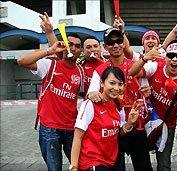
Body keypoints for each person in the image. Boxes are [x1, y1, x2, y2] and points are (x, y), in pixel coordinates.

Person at [87, 27, 159, 171]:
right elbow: (91, 92)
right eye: (111, 42)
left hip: (136, 126)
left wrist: (148, 91)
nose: (115, 45)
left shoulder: (135, 65)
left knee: (144, 167)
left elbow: (147, 88)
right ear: (105, 46)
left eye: (119, 41)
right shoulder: (100, 70)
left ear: (124, 43)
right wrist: (93, 94)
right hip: (113, 130)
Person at [17, 33, 84, 171]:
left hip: (72, 128)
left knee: (79, 166)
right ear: (64, 46)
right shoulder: (50, 65)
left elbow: (84, 94)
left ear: (81, 51)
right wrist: (50, 50)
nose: (73, 48)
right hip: (49, 128)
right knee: (54, 168)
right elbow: (22, 61)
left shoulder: (80, 72)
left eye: (77, 46)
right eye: (69, 44)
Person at [131, 40, 177, 171]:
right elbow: (132, 73)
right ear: (165, 57)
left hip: (167, 126)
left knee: (164, 163)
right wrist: (144, 58)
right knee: (141, 160)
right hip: (147, 121)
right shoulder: (154, 67)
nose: (175, 59)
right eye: (171, 55)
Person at [69, 66, 139, 171]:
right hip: (93, 162)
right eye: (112, 83)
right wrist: (74, 167)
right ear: (102, 83)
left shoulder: (117, 104)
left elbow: (117, 133)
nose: (116, 88)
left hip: (111, 162)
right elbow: (77, 137)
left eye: (120, 84)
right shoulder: (90, 104)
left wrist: (129, 123)